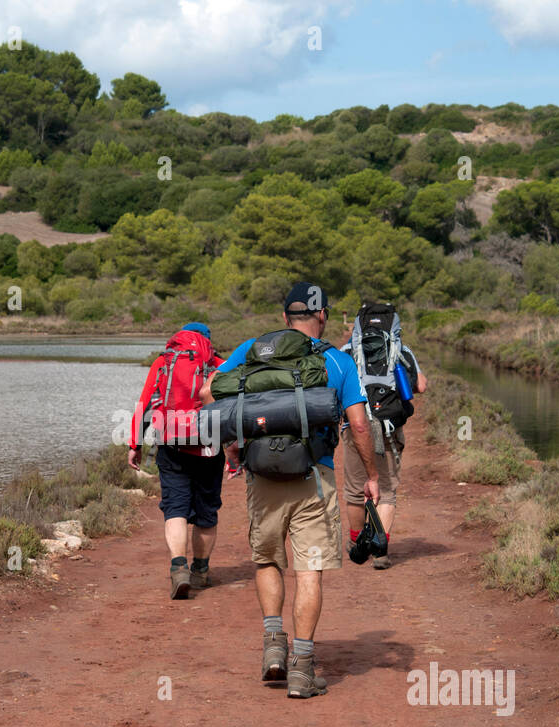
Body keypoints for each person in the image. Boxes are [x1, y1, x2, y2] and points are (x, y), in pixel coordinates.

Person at [201, 283, 379, 699]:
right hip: (313, 476)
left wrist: (235, 445)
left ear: (285, 318)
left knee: (267, 560)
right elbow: (358, 424)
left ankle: (272, 650)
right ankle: (302, 669)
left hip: (261, 476)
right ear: (324, 316)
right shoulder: (336, 360)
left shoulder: (253, 349)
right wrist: (371, 474)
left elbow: (210, 392)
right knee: (308, 569)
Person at [128, 322, 225, 600]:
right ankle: (201, 571)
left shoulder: (163, 362)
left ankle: (179, 568)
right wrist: (236, 451)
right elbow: (233, 408)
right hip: (209, 447)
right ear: (207, 340)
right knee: (206, 513)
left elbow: (145, 403)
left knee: (175, 508)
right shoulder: (219, 364)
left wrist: (134, 444)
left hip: (171, 446)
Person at [339, 303, 427, 570]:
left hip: (355, 427)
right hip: (390, 427)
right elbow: (420, 386)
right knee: (387, 492)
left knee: (355, 490)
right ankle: (381, 551)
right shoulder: (401, 349)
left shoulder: (346, 351)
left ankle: (357, 543)